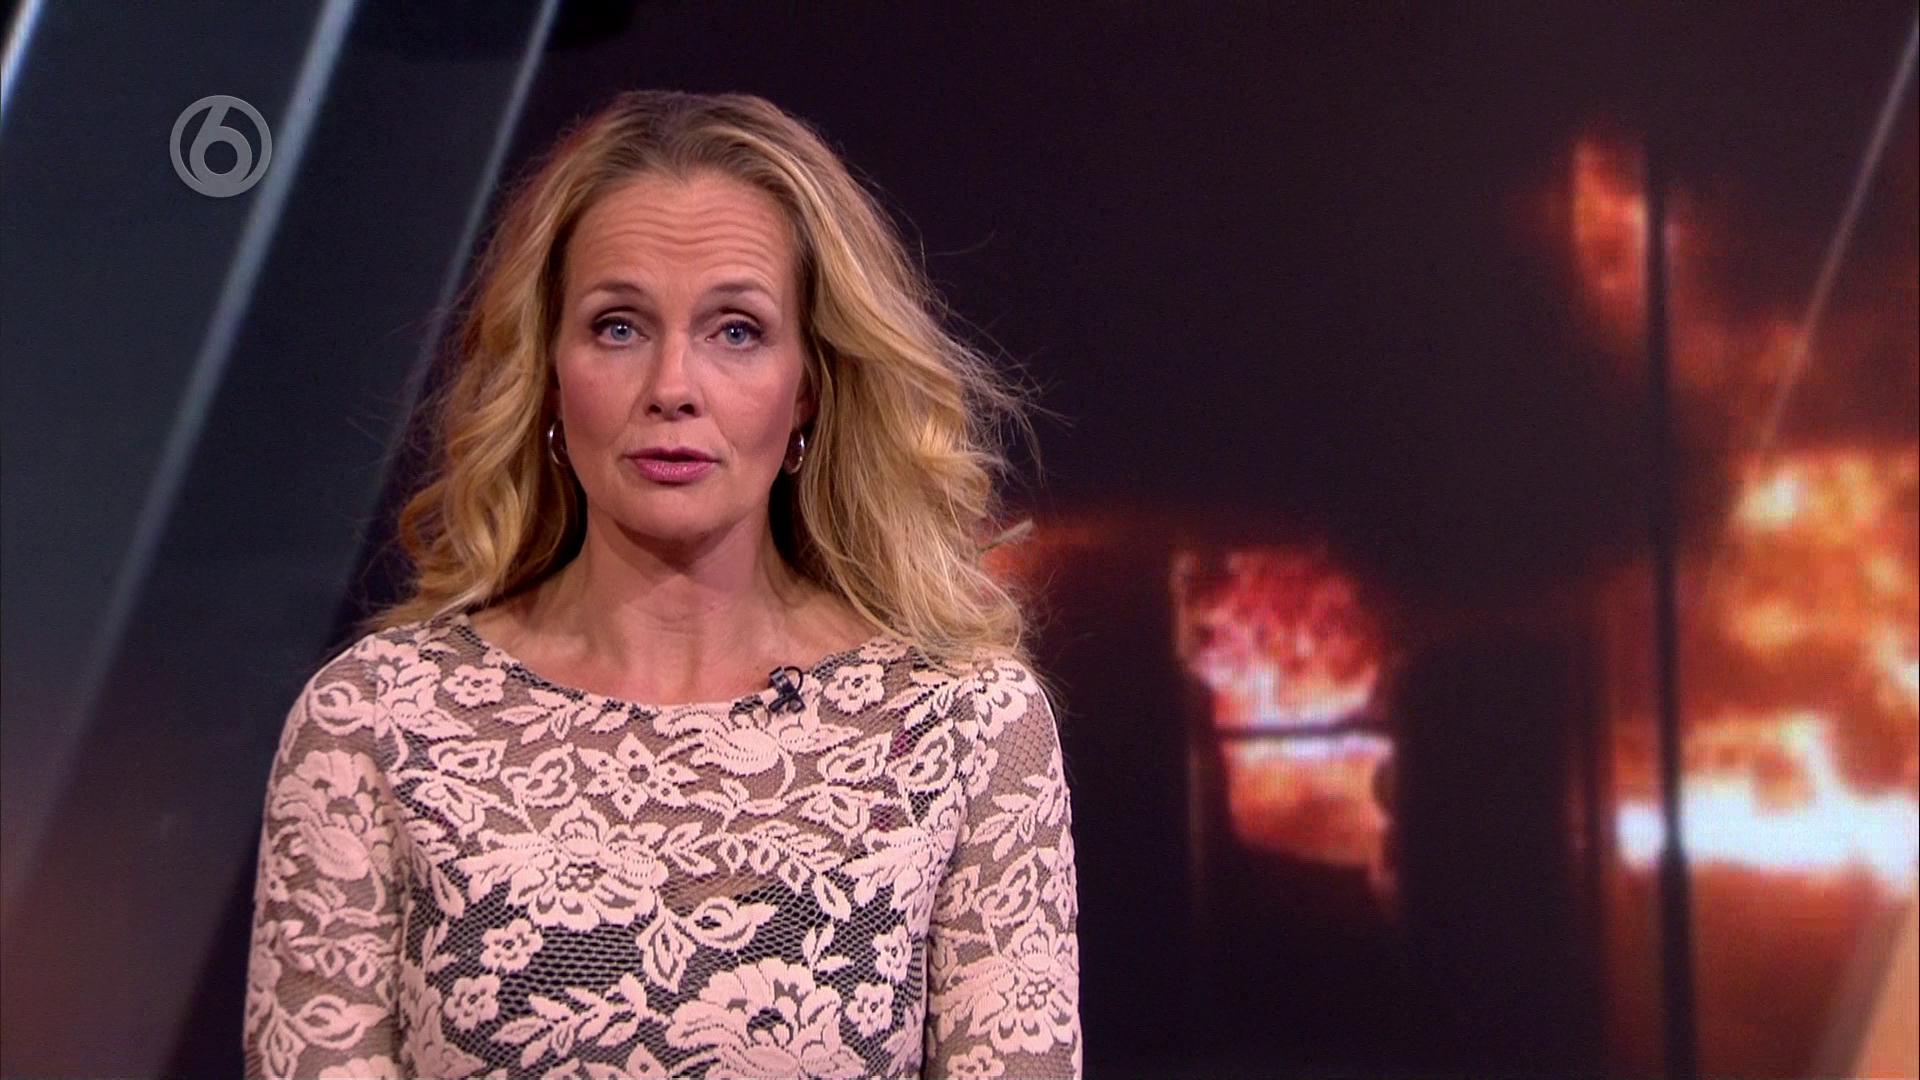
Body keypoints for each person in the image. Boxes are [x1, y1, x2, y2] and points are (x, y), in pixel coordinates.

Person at [243, 90, 1079, 1079]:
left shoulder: (962, 728)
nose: (672, 387)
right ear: (548, 372)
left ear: (808, 386)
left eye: (737, 331)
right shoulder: (376, 723)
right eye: (618, 327)